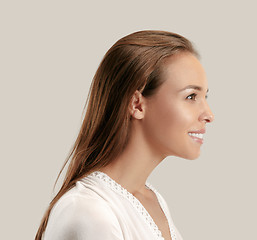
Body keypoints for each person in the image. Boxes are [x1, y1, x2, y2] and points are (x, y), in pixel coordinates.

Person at [35, 30, 214, 240]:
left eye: (205, 96)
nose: (209, 114)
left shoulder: (154, 201)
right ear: (137, 104)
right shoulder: (90, 211)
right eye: (191, 96)